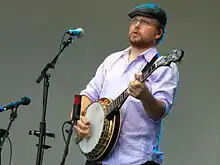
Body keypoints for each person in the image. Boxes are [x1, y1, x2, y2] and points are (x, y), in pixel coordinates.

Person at [73, 3, 179, 165]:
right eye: (134, 20)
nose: (136, 25)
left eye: (145, 22)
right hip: (98, 158)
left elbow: (159, 112)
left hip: (136, 159)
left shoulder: (164, 67)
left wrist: (145, 96)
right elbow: (88, 94)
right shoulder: (112, 60)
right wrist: (80, 120)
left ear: (158, 33)